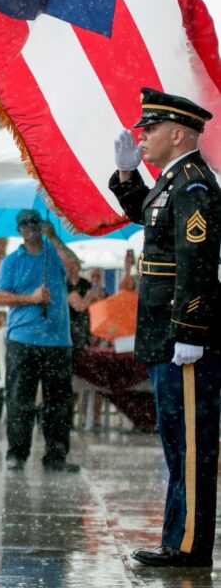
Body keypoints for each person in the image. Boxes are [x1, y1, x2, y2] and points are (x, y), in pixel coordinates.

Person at [110, 87, 221, 569]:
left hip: (183, 335)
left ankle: (189, 546)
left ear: (178, 134)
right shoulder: (172, 182)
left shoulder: (194, 184)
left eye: (150, 129)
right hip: (164, 332)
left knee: (191, 447)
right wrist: (127, 174)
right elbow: (146, 216)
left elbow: (197, 263)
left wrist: (191, 331)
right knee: (177, 443)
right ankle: (178, 540)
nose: (144, 137)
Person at [0, 210, 82, 473]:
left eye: (35, 223)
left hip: (57, 341)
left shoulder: (54, 254)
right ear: (19, 229)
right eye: (26, 225)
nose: (31, 228)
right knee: (20, 398)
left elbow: (75, 269)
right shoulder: (11, 261)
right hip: (23, 339)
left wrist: (54, 238)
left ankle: (56, 456)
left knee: (59, 401)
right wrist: (31, 298)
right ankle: (16, 453)